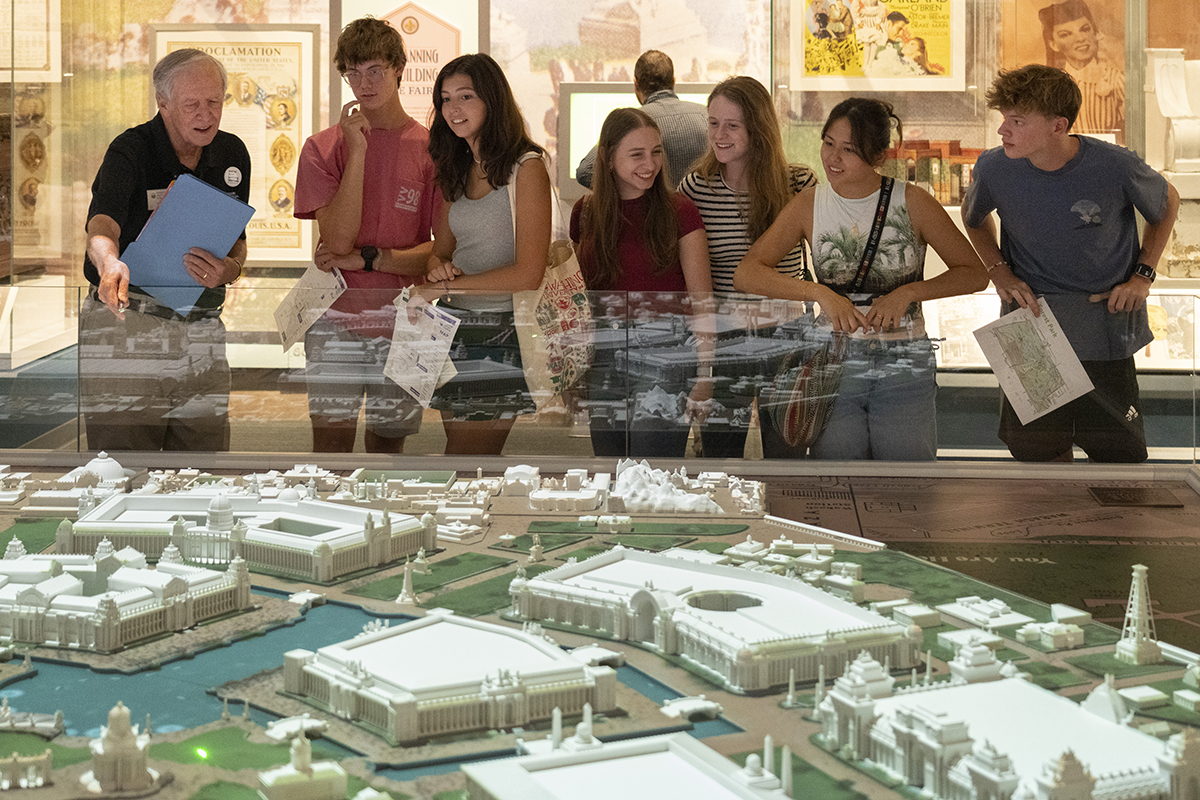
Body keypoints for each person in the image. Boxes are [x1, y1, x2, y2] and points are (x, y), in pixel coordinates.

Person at [734, 98, 988, 460]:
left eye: (849, 150)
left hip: (904, 361)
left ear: (879, 155)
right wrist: (819, 293)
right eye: (828, 143)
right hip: (833, 363)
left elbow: (973, 274)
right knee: (837, 476)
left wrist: (910, 292)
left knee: (907, 479)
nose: (832, 158)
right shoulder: (810, 203)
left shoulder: (912, 201)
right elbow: (747, 272)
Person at [962, 65, 1179, 462]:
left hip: (1105, 324)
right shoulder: (994, 167)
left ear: (1058, 126)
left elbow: (1168, 203)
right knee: (1038, 455)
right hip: (1030, 328)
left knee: (1117, 456)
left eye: (1016, 121)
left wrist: (1143, 275)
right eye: (1003, 119)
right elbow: (973, 219)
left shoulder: (1115, 165)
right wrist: (999, 271)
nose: (1002, 130)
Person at [79, 48, 250, 452]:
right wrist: (109, 262)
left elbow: (237, 240)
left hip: (202, 327)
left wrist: (231, 269)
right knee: (124, 463)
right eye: (191, 104)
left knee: (204, 465)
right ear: (163, 104)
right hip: (129, 324)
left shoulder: (232, 153)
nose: (205, 115)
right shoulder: (130, 150)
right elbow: (102, 224)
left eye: (214, 102)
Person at [294, 17, 440, 454]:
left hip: (406, 322)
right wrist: (357, 150)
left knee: (388, 454)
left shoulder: (430, 148)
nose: (363, 83)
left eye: (374, 69)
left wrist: (371, 258)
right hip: (332, 318)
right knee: (330, 450)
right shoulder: (322, 147)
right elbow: (336, 245)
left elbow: (439, 253)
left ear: (400, 68)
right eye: (352, 72)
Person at [410, 53, 552, 455]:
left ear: (492, 100)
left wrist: (443, 287)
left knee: (467, 457)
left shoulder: (527, 168)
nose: (453, 109)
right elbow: (441, 252)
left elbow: (529, 273)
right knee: (463, 457)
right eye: (445, 98)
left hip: (504, 330)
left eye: (466, 96)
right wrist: (437, 270)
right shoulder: (455, 166)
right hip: (454, 328)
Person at [679, 76, 818, 458]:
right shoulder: (696, 187)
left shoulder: (799, 182)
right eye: (713, 123)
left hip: (787, 337)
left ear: (757, 129)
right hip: (724, 340)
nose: (719, 135)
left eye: (732, 125)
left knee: (786, 457)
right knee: (720, 459)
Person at [570, 108, 713, 457]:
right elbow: (577, 300)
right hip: (602, 358)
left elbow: (703, 301)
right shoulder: (585, 213)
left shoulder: (681, 212)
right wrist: (572, 372)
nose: (650, 164)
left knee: (655, 475)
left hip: (665, 356)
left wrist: (706, 377)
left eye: (656, 151)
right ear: (608, 157)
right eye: (636, 154)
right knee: (611, 472)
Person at [575, 50, 707, 191]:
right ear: (674, 82)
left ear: (636, 85)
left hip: (647, 212)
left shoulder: (630, 123)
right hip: (703, 211)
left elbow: (585, 172)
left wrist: (635, 193)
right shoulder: (708, 116)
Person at [1038, 0, 1123, 137]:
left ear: (1095, 33)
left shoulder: (1116, 80)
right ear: (1053, 44)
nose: (1080, 39)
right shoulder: (1048, 86)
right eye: (1066, 34)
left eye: (1085, 29)